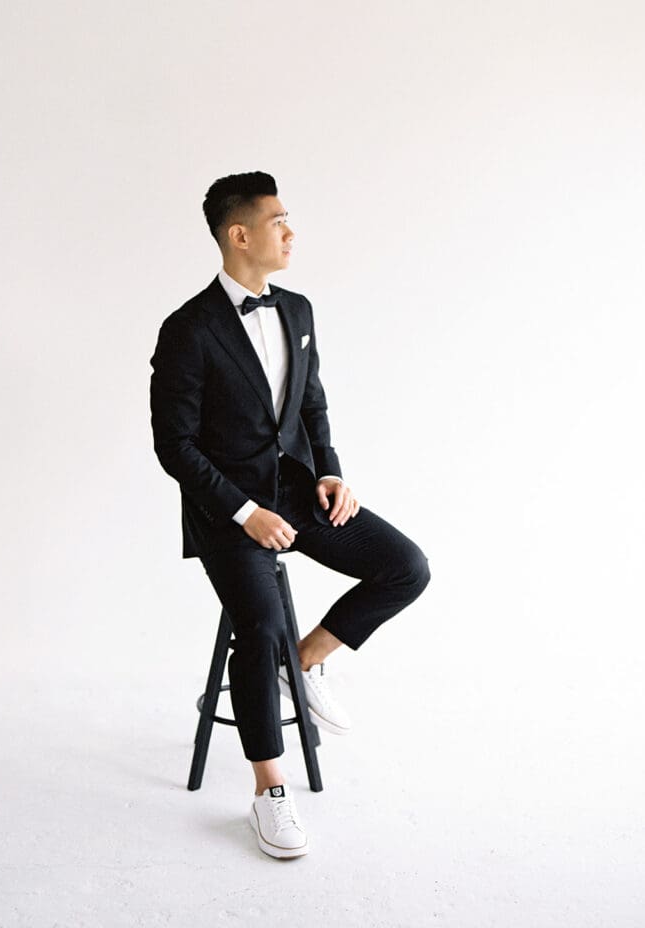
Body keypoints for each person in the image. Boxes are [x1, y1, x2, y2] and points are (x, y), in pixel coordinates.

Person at [149, 171, 430, 859]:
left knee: (405, 567)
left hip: (300, 493)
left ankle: (301, 664)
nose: (290, 231)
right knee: (260, 625)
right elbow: (173, 445)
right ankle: (268, 790)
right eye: (278, 221)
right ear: (238, 234)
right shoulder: (187, 329)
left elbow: (311, 406)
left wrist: (330, 470)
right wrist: (244, 512)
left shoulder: (298, 310)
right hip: (228, 511)